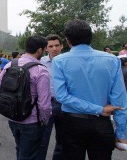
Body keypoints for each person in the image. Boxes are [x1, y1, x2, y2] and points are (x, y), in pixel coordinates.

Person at [53, 19, 127, 159]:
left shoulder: (60, 61)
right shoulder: (112, 60)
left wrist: (98, 109)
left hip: (72, 123)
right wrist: (122, 133)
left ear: (68, 41)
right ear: (90, 37)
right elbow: (119, 100)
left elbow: (62, 96)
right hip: (102, 123)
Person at [0, 35, 51, 160]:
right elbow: (44, 105)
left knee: (20, 149)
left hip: (12, 117)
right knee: (28, 154)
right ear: (40, 50)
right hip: (31, 121)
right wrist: (44, 121)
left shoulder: (11, 64)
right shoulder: (41, 70)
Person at [39, 34, 64, 160]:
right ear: (46, 48)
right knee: (43, 139)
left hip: (65, 105)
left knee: (63, 140)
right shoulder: (40, 62)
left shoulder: (68, 61)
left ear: (62, 46)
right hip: (47, 104)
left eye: (57, 45)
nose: (54, 48)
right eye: (51, 46)